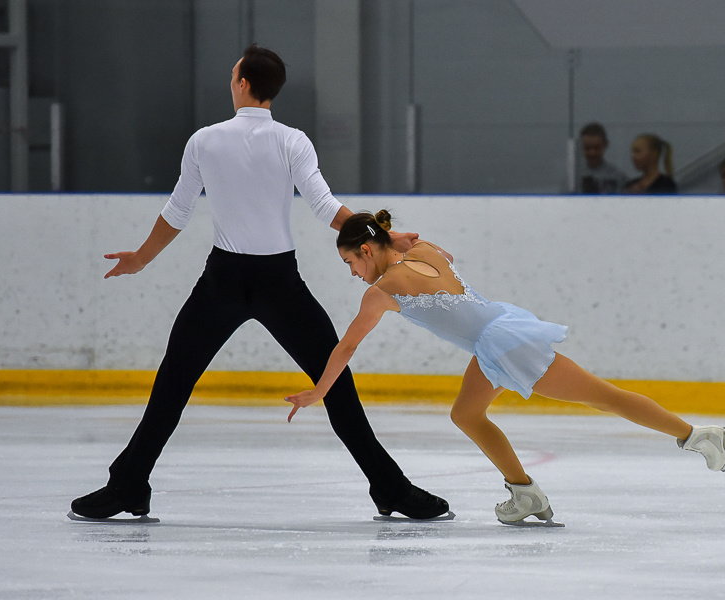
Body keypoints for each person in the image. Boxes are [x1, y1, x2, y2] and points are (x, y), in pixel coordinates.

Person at [70, 45, 449, 522]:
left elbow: (178, 212)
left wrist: (141, 259)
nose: (232, 79)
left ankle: (127, 487)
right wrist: (383, 234)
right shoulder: (293, 141)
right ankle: (391, 489)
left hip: (223, 282)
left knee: (173, 383)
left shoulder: (204, 141)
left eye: (234, 74)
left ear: (243, 84)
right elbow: (326, 207)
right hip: (278, 283)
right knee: (337, 385)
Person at [285, 210, 725, 525]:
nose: (351, 272)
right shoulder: (422, 252)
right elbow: (438, 252)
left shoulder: (382, 291)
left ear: (367, 251)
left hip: (506, 345)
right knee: (466, 415)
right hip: (496, 335)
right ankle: (524, 492)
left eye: (350, 261)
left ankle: (700, 438)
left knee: (602, 396)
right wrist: (403, 239)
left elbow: (345, 347)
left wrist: (320, 390)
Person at [576, 122, 629, 194]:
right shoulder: (574, 178)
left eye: (596, 148)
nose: (592, 153)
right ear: (581, 147)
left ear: (605, 145)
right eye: (587, 148)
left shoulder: (618, 177)